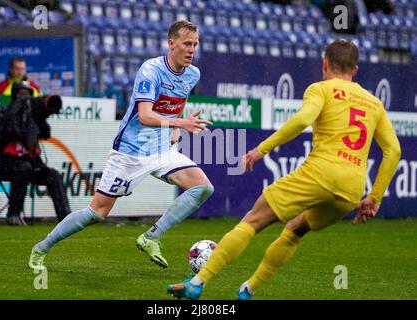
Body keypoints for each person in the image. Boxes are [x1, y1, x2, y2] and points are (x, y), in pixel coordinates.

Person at [167, 39, 401, 300]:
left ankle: (197, 282)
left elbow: (302, 119)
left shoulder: (321, 89)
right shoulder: (373, 103)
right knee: (295, 229)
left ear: (324, 64)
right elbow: (394, 151)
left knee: (253, 221)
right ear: (355, 70)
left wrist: (260, 150)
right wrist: (374, 197)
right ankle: (248, 289)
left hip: (320, 173)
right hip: (352, 190)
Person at [28, 20, 214, 270]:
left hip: (160, 149)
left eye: (195, 44)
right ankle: (41, 248)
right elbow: (146, 116)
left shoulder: (193, 74)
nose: (192, 50)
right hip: (130, 152)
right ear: (171, 44)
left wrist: (174, 129)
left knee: (202, 187)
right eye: (186, 44)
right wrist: (179, 123)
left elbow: (179, 99)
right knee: (97, 213)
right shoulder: (151, 70)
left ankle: (151, 237)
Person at [0, 81, 70, 226]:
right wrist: (16, 112)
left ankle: (65, 218)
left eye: (28, 95)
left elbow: (46, 134)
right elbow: (3, 134)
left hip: (31, 163)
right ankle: (13, 214)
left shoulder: (33, 116)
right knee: (23, 168)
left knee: (54, 176)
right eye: (22, 94)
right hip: (6, 165)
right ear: (14, 95)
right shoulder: (2, 113)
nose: (25, 98)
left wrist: (40, 116)